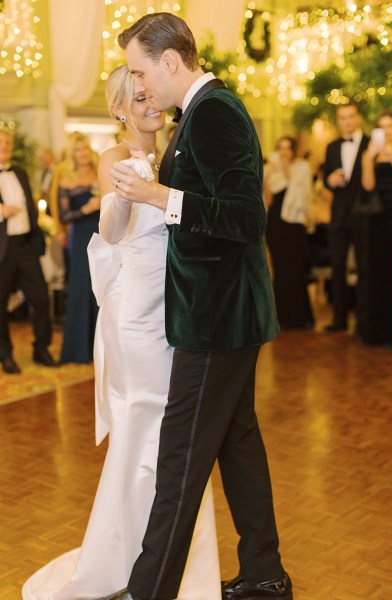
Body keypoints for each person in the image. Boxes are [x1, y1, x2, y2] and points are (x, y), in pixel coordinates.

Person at [105, 12, 292, 600]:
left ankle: (148, 590)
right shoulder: (203, 112)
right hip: (222, 314)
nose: (140, 84)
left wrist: (161, 196)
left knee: (180, 455)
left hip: (217, 318)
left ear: (170, 60)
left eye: (141, 69)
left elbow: (244, 218)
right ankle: (265, 573)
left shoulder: (214, 111)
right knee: (236, 445)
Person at [22, 65, 221, 600]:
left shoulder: (177, 151)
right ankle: (126, 560)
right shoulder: (114, 159)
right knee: (146, 421)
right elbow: (110, 232)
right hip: (136, 310)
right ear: (118, 109)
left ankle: (167, 558)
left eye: (151, 93)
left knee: (175, 429)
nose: (150, 103)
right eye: (138, 98)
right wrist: (127, 195)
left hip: (176, 306)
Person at [0, 128, 57, 374]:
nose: (5, 146)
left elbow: (31, 207)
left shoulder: (21, 173)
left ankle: (41, 348)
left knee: (41, 298)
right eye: (1, 142)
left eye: (7, 142)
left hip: (25, 246)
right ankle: (5, 355)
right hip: (2, 249)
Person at [323, 102, 369, 334]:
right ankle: (339, 320)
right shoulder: (331, 147)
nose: (347, 121)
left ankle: (364, 321)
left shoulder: (371, 144)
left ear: (358, 118)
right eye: (342, 117)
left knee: (364, 267)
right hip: (339, 216)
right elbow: (325, 179)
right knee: (337, 267)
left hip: (365, 215)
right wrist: (330, 181)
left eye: (351, 116)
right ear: (338, 121)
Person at [57, 133, 100, 364]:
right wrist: (87, 208)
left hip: (104, 232)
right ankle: (79, 349)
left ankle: (102, 344)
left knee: (103, 286)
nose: (82, 153)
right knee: (82, 287)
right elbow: (64, 215)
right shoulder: (66, 179)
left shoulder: (100, 171)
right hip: (82, 235)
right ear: (72, 154)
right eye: (77, 150)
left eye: (85, 149)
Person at [264, 136, 314, 330]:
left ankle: (301, 318)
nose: (284, 152)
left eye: (288, 148)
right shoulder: (270, 169)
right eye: (281, 148)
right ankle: (282, 317)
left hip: (295, 223)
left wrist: (287, 173)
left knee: (295, 268)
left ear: (294, 151)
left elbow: (303, 195)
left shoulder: (302, 168)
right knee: (280, 268)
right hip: (276, 223)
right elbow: (267, 199)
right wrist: (268, 176)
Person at [361, 111, 392, 348]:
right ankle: (381, 331)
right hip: (379, 217)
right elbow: (368, 185)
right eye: (382, 126)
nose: (386, 130)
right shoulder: (371, 153)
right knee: (381, 271)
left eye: (390, 126)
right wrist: (370, 158)